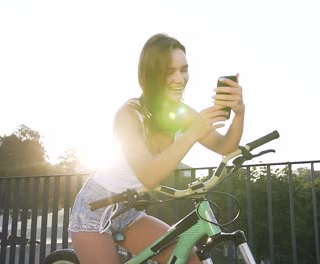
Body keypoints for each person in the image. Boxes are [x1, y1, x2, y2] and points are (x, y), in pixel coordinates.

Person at [68, 33, 245, 264]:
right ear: (151, 74)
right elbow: (149, 176)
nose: (180, 78)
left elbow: (226, 146)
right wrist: (193, 132)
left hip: (129, 211)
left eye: (184, 69)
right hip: (94, 211)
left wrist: (239, 112)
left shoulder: (183, 113)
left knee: (188, 259)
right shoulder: (128, 115)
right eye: (169, 71)